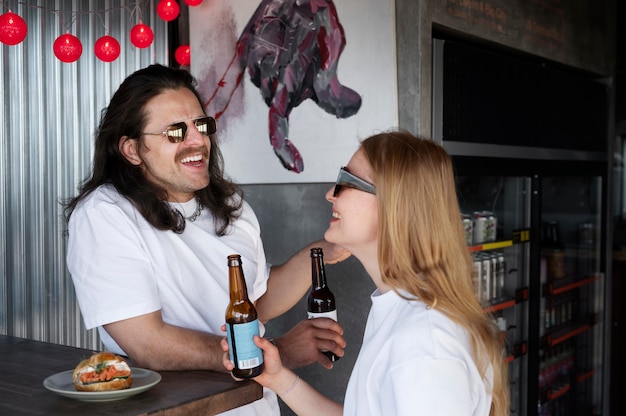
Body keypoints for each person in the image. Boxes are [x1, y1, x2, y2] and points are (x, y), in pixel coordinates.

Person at [64, 64, 347, 415]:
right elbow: (147, 343)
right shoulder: (106, 214)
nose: (197, 140)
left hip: (256, 405)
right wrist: (276, 352)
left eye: (201, 125)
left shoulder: (232, 207)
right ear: (132, 150)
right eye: (175, 132)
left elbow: (253, 302)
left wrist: (325, 250)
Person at [223, 131, 510, 416]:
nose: (330, 194)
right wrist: (278, 379)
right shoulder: (400, 311)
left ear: (394, 206)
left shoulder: (424, 343)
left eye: (347, 182)